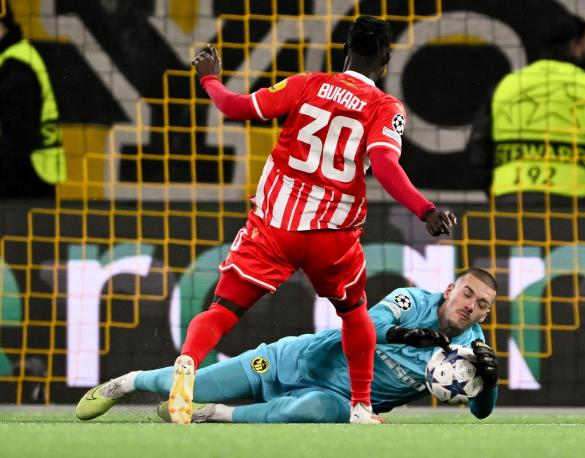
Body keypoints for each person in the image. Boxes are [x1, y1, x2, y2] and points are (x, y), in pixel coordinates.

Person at [167, 16, 457, 425]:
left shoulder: (306, 84)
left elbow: (235, 107)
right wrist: (426, 210)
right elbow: (385, 165)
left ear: (345, 51)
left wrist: (210, 79)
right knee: (354, 314)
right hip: (331, 237)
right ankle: (361, 407)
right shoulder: (386, 107)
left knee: (223, 309)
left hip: (275, 226)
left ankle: (187, 365)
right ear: (386, 60)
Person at [76, 268, 499, 424]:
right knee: (194, 383)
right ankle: (126, 382)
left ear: (484, 314)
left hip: (342, 399)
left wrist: (491, 383)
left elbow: (480, 411)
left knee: (312, 411)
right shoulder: (414, 301)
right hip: (293, 360)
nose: (471, 306)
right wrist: (407, 334)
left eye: (482, 305)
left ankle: (214, 414)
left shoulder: (470, 353)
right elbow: (369, 324)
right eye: (467, 294)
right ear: (450, 289)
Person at [466, 13, 585, 207]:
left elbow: (478, 150)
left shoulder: (506, 85)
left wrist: (498, 194)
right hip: (578, 203)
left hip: (511, 202)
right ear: (575, 46)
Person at [0, 3, 66, 199]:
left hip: (24, 180)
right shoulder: (14, 58)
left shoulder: (16, 65)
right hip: (28, 176)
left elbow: (18, 136)